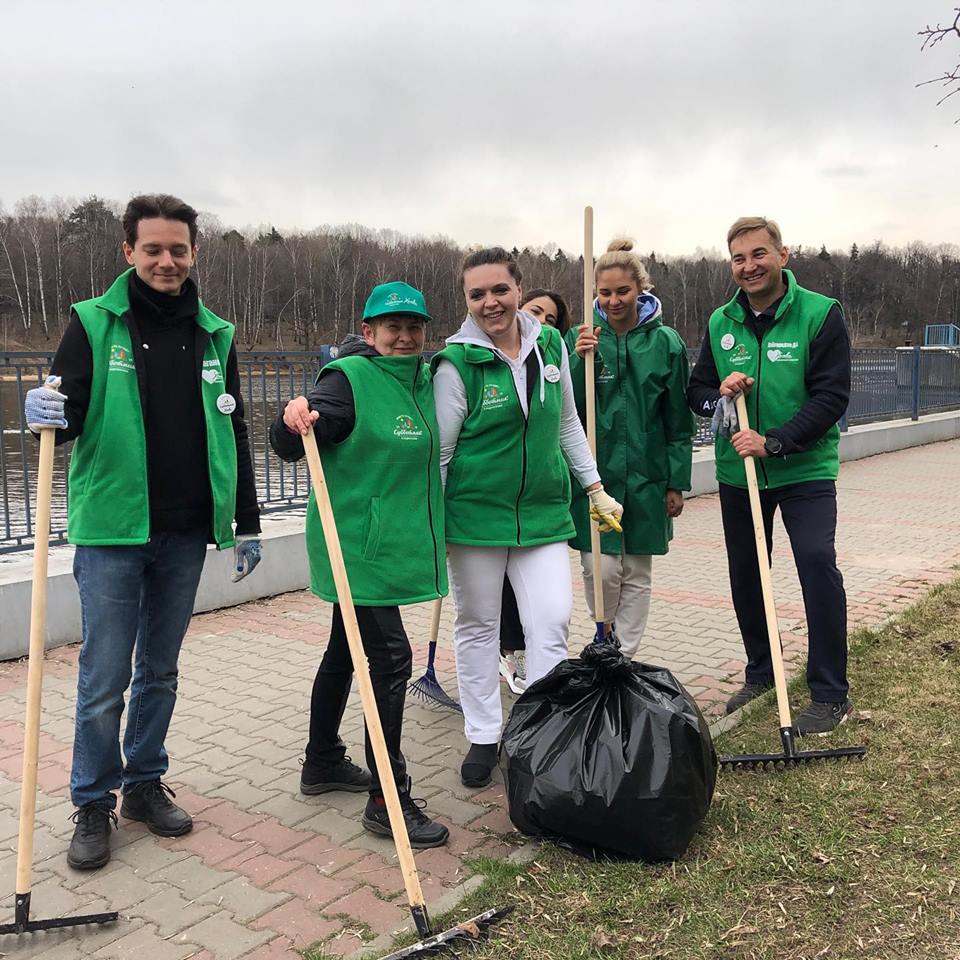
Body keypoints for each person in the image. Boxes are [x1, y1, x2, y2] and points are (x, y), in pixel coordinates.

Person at [23, 194, 262, 871]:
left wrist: (244, 521)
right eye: (152, 248)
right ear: (128, 252)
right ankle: (93, 800)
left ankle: (143, 783)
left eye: (177, 249)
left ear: (193, 254)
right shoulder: (92, 323)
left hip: (185, 533)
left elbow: (235, 426)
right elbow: (59, 420)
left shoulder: (216, 333)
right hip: (113, 533)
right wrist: (37, 412)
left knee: (159, 670)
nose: (165, 260)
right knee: (103, 678)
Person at [432, 248, 622, 788]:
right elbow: (442, 455)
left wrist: (595, 487)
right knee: (479, 627)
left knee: (552, 621)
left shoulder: (551, 345)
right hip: (475, 520)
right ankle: (485, 734)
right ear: (467, 301)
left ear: (519, 289)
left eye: (499, 290)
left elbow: (566, 426)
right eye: (477, 294)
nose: (489, 302)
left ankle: (538, 731)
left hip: (541, 513)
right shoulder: (455, 363)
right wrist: (433, 525)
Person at [269, 281, 449, 847]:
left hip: (386, 544)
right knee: (391, 657)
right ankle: (385, 797)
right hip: (355, 546)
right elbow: (288, 442)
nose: (404, 336)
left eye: (413, 326)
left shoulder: (427, 376)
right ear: (368, 333)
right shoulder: (347, 380)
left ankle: (321, 761)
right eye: (391, 327)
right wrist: (292, 418)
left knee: (344, 649)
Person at [687, 216, 852, 735]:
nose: (749, 266)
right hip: (741, 474)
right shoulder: (721, 322)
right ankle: (763, 670)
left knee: (815, 560)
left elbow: (832, 396)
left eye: (759, 254)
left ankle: (829, 690)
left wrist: (774, 440)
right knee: (749, 572)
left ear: (783, 256)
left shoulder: (821, 315)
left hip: (804, 468)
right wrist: (721, 396)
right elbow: (698, 392)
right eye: (739, 258)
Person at [569, 239, 694, 656]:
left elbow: (678, 418)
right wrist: (576, 360)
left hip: (647, 473)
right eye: (605, 293)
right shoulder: (584, 338)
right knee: (599, 566)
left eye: (622, 291)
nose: (614, 300)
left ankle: (623, 657)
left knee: (637, 570)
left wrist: (676, 481)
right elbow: (564, 409)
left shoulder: (666, 343)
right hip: (596, 473)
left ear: (641, 289)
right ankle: (603, 634)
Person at [498, 288, 573, 693]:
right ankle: (507, 649)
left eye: (550, 318)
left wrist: (592, 486)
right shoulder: (472, 357)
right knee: (490, 605)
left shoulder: (552, 358)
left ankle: (536, 676)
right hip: (488, 508)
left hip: (540, 504)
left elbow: (567, 423)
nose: (541, 322)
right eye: (536, 312)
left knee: (549, 609)